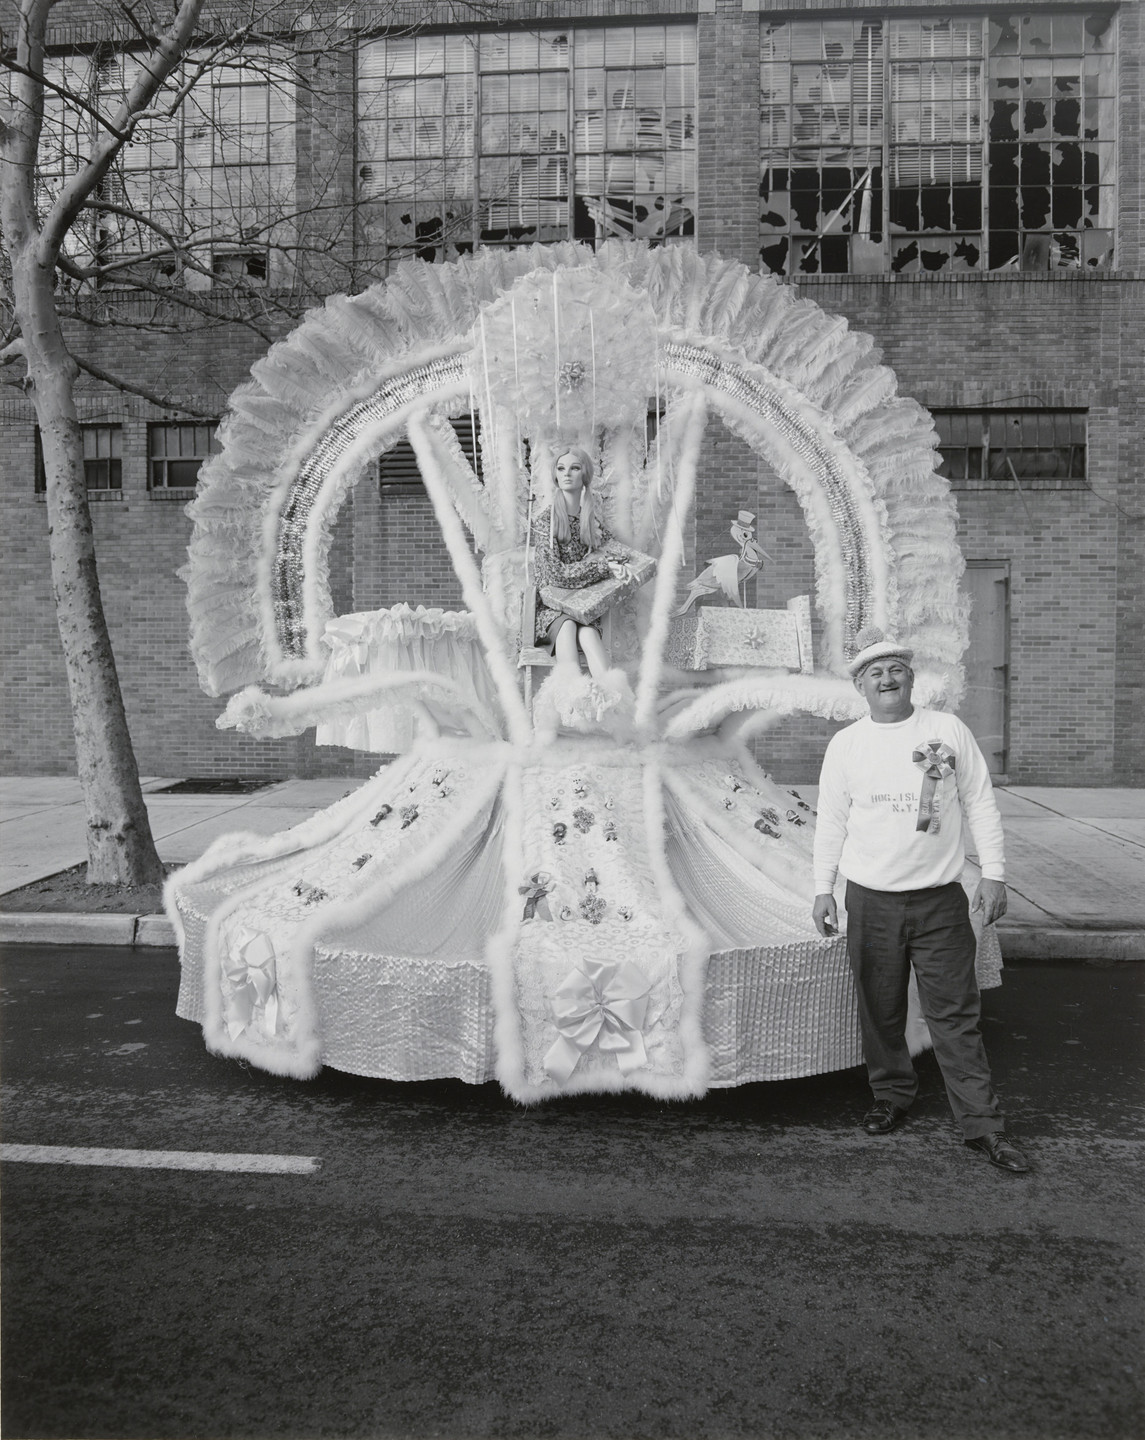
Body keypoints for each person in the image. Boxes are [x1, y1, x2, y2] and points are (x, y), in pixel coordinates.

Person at [811, 628, 1030, 1174]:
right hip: (871, 901)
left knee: (954, 1014)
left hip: (940, 902)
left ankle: (983, 1125)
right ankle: (891, 1095)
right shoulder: (847, 744)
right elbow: (831, 822)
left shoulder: (946, 730)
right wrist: (823, 888)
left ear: (911, 676)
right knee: (880, 1009)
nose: (887, 679)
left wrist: (995, 875)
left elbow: (980, 803)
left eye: (896, 669)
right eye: (874, 673)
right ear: (861, 685)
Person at [531, 449, 633, 679]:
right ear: (555, 476)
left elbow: (619, 553)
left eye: (574, 468)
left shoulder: (590, 521)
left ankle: (612, 698)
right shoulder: (546, 521)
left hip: (582, 607)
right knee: (567, 628)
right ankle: (573, 699)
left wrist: (609, 560)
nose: (567, 474)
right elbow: (556, 574)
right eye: (561, 468)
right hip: (552, 607)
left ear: (584, 475)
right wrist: (600, 566)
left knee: (588, 634)